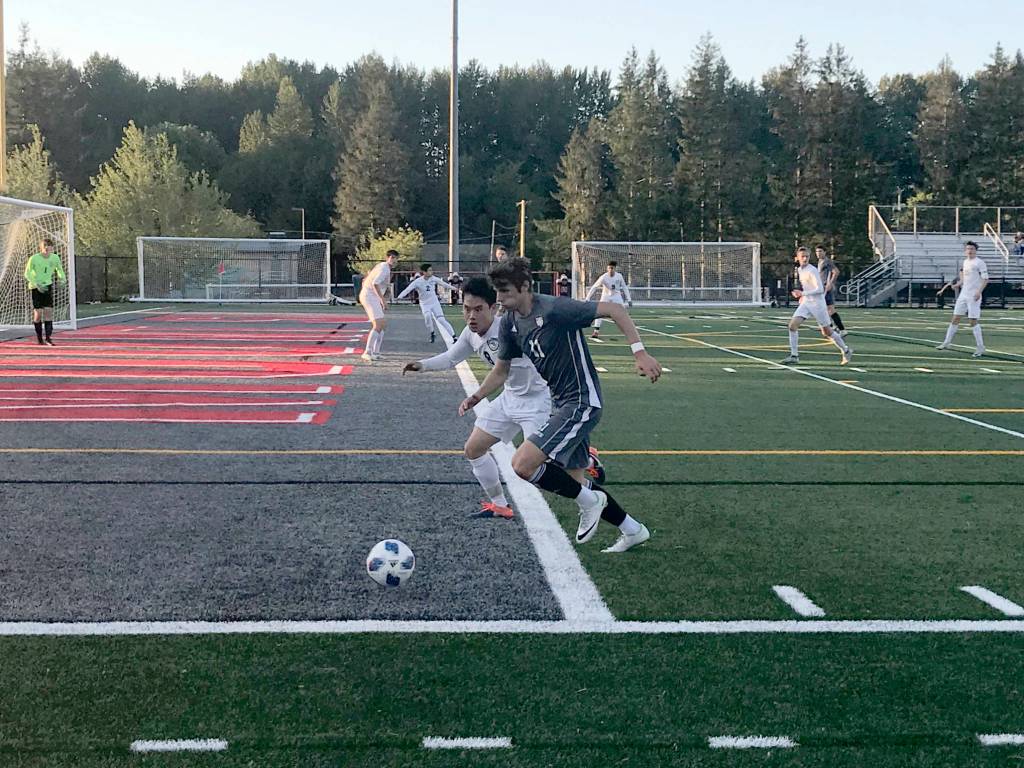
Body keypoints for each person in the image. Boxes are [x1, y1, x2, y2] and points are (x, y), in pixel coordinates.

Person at [459, 257, 660, 553]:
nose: (499, 299)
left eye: (505, 291)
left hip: (582, 402)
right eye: (497, 292)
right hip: (560, 403)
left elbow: (615, 309)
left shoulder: (556, 309)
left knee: (522, 465)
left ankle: (590, 503)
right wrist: (476, 397)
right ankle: (632, 529)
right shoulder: (511, 324)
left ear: (525, 286)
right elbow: (502, 370)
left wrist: (639, 353)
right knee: (575, 482)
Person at [781, 247, 853, 366]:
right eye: (802, 256)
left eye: (807, 256)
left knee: (827, 332)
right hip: (807, 303)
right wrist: (801, 295)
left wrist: (802, 293)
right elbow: (807, 287)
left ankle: (846, 350)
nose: (805, 258)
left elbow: (819, 289)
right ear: (797, 258)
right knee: (792, 326)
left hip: (818, 304)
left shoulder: (812, 270)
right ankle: (794, 356)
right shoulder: (799, 270)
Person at [936, 241, 988, 357]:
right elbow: (965, 279)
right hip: (963, 294)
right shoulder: (965, 262)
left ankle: (980, 347)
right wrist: (958, 284)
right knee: (955, 318)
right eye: (968, 249)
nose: (970, 251)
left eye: (972, 249)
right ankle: (947, 342)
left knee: (972, 321)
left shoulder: (980, 263)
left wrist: (979, 292)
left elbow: (985, 279)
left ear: (975, 250)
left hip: (973, 295)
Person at [396, 263, 457, 344]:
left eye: (431, 270)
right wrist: (399, 297)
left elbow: (444, 284)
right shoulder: (417, 282)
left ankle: (454, 336)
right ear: (424, 272)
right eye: (429, 270)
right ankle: (432, 333)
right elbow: (408, 290)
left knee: (441, 320)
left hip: (434, 302)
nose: (431, 272)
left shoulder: (434, 279)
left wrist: (453, 288)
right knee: (427, 316)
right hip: (425, 304)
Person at [24, 238, 66, 346]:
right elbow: (27, 273)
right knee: (38, 314)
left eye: (50, 250)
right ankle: (39, 338)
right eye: (46, 250)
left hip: (47, 286)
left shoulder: (55, 258)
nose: (48, 252)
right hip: (36, 287)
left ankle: (48, 338)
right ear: (41, 249)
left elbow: (59, 269)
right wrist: (36, 284)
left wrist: (62, 279)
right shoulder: (34, 258)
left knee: (48, 312)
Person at [358, 250, 397, 362]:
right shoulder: (384, 268)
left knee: (383, 324)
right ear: (387, 257)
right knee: (378, 323)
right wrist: (383, 300)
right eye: (392, 257)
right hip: (369, 296)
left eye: (395, 258)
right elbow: (375, 283)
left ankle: (376, 352)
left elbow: (369, 279)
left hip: (371, 295)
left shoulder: (383, 267)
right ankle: (367, 352)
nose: (394, 260)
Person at [585, 261, 632, 340]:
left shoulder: (619, 276)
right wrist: (587, 298)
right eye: (609, 268)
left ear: (615, 269)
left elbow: (624, 287)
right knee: (599, 312)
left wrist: (629, 299)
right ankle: (596, 331)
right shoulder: (604, 277)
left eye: (612, 268)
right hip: (606, 296)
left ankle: (628, 331)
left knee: (623, 311)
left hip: (616, 296)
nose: (611, 270)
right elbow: (594, 287)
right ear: (607, 268)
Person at [815, 245, 846, 336]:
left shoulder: (827, 261)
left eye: (820, 251)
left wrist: (830, 283)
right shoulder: (820, 261)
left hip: (825, 288)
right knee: (825, 309)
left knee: (828, 309)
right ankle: (832, 327)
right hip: (821, 288)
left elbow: (836, 271)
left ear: (825, 252)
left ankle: (841, 329)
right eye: (817, 251)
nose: (818, 253)